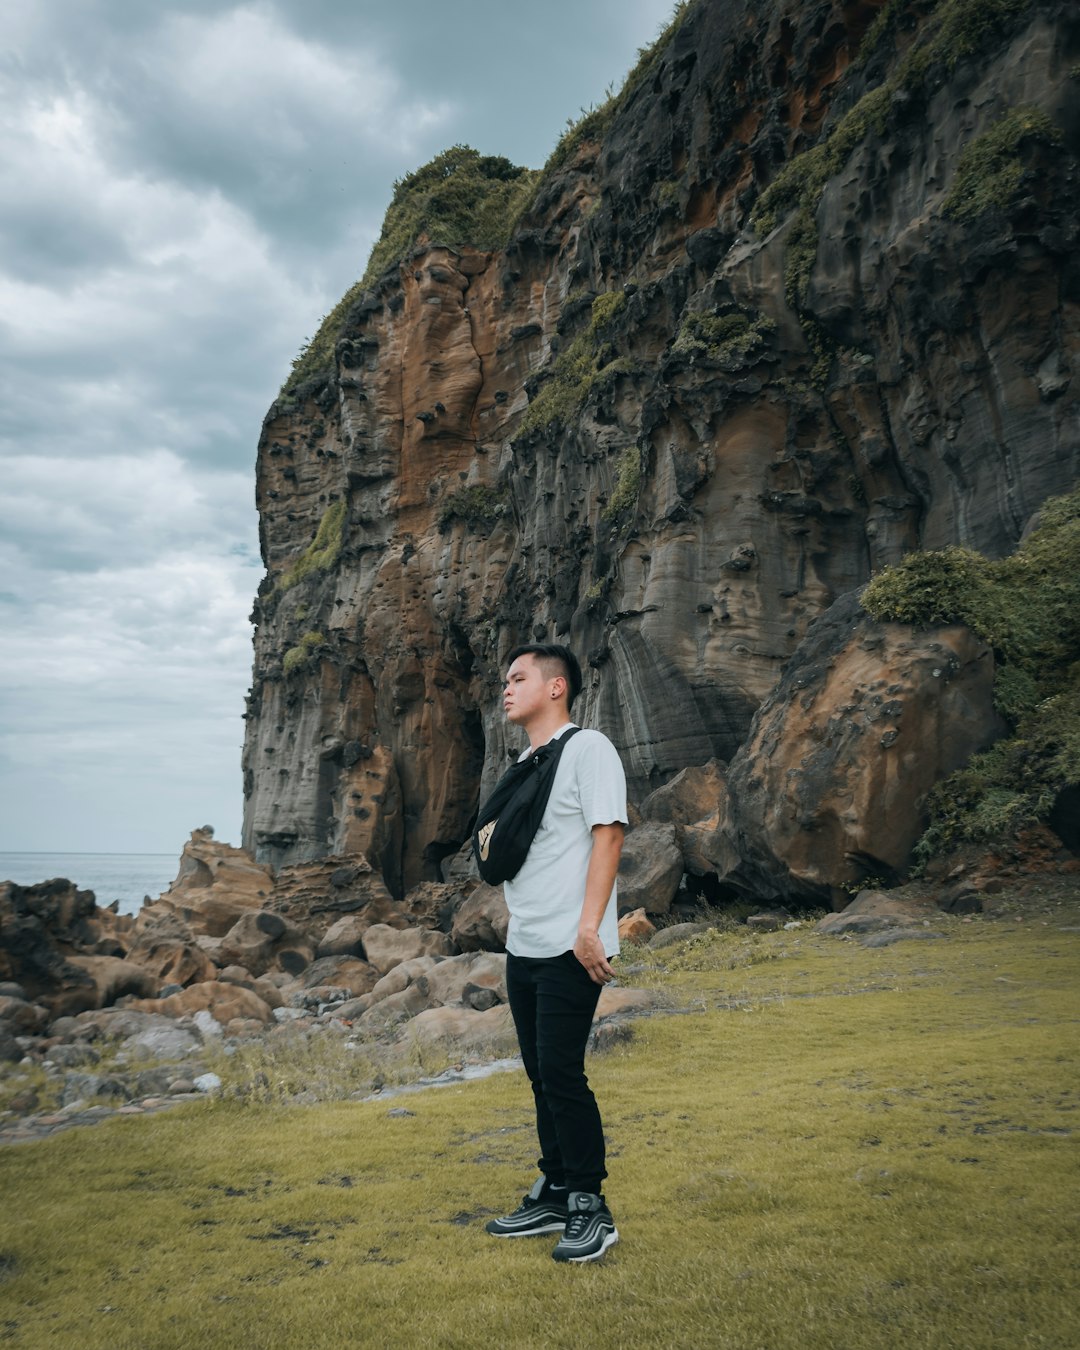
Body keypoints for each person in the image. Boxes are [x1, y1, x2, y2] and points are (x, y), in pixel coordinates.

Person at [483, 642, 627, 1263]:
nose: (507, 689)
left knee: (564, 1074)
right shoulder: (527, 761)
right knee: (542, 1075)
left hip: (575, 944)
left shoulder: (587, 749)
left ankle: (591, 1208)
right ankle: (556, 1190)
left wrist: (590, 928)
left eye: (519, 678)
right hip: (527, 945)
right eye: (506, 680)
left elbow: (609, 834)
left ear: (557, 687)